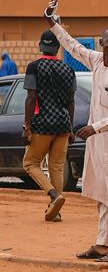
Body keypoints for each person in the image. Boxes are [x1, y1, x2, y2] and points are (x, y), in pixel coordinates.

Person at [45, 0, 108, 264]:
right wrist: (52, 22)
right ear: (102, 43)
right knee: (101, 193)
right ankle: (102, 243)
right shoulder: (96, 61)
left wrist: (96, 127)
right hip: (97, 145)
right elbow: (71, 46)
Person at [22, 30, 76, 222]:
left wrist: (27, 126)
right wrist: (70, 128)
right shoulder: (68, 69)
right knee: (57, 167)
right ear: (57, 48)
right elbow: (71, 101)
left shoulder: (34, 67)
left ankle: (53, 195)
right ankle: (56, 211)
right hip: (63, 124)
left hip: (42, 124)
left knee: (30, 163)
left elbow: (31, 97)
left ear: (40, 46)